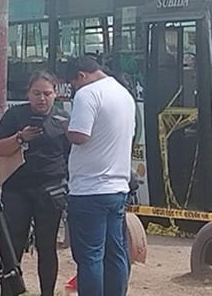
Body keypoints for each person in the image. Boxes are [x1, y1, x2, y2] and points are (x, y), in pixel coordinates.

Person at [64, 56, 135, 296]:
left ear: (81, 76)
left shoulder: (88, 93)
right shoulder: (124, 93)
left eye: (73, 84)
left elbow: (80, 135)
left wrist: (65, 126)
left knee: (90, 257)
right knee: (115, 253)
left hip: (89, 189)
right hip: (118, 187)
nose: (75, 89)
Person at [0, 71, 71, 296]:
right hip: (17, 188)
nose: (42, 99)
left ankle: (47, 292)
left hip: (51, 188)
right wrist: (20, 137)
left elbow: (71, 156)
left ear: (55, 95)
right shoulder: (15, 115)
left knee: (47, 246)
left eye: (47, 94)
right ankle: (10, 290)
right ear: (28, 94)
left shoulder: (62, 120)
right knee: (13, 245)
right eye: (37, 93)